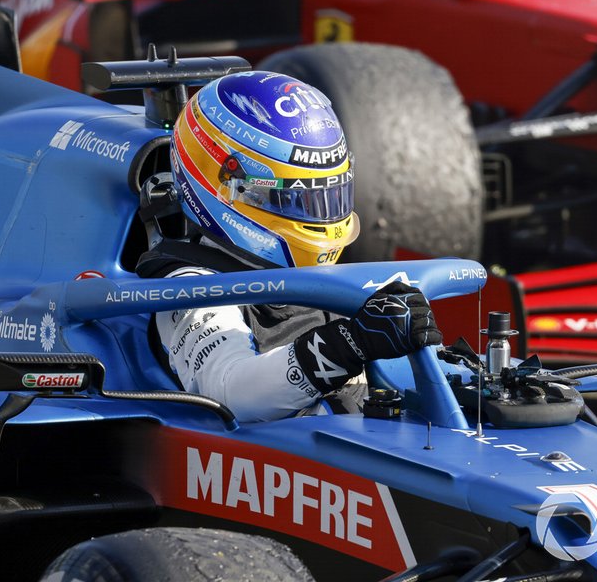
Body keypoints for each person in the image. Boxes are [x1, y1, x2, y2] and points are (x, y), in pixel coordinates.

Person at [136, 70, 441, 422]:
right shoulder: (187, 286)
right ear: (228, 189)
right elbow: (230, 392)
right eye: (296, 200)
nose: (320, 217)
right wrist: (351, 343)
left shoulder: (325, 278)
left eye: (329, 197)